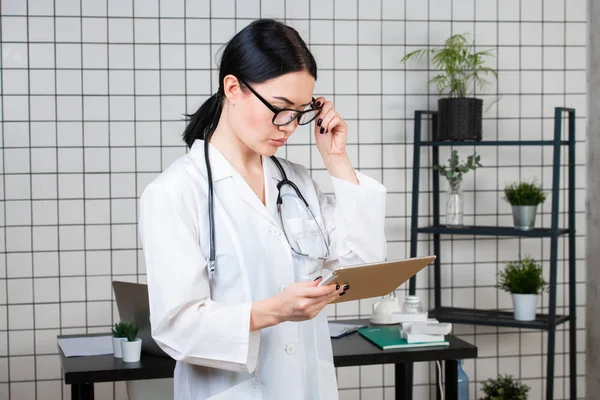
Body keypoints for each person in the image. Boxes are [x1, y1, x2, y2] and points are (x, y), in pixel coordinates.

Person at [138, 18, 387, 400]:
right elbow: (177, 327)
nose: (288, 126)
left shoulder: (298, 185)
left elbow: (363, 262)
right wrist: (274, 311)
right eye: (281, 108)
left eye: (301, 112)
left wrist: (336, 159)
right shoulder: (175, 193)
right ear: (233, 88)